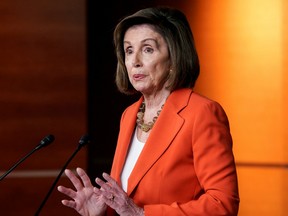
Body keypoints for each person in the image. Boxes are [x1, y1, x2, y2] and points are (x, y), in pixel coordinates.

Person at [57, 6, 240, 216]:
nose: (134, 61)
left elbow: (223, 204)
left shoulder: (201, 113)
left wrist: (143, 214)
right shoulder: (130, 115)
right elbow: (126, 205)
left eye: (148, 49)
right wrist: (102, 211)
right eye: (128, 50)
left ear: (173, 58)